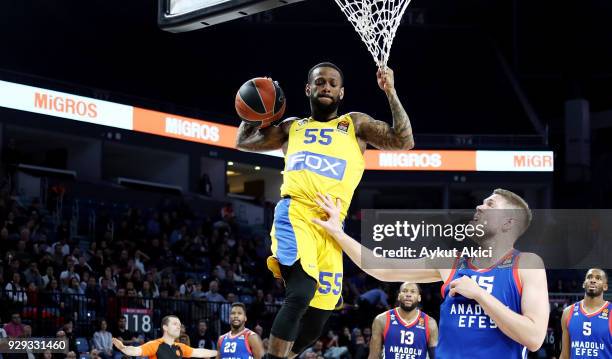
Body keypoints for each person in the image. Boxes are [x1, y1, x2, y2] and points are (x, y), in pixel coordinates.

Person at [235, 62, 414, 359]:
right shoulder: (292, 127)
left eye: (332, 83)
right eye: (319, 82)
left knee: (321, 312)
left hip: (332, 225)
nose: (326, 87)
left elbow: (404, 141)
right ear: (308, 89)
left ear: (341, 92)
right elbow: (243, 141)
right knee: (302, 292)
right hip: (296, 214)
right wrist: (259, 109)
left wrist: (390, 91)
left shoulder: (355, 124)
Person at [312, 188, 549, 357]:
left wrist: (480, 295)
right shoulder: (451, 263)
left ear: (508, 223)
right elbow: (383, 268)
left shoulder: (527, 264)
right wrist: (338, 233)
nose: (479, 206)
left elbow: (534, 338)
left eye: (490, 204)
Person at [369, 283, 438, 359]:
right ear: (399, 296)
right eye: (405, 291)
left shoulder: (430, 323)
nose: (408, 294)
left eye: (413, 291)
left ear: (419, 298)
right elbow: (373, 356)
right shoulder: (382, 319)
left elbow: (435, 356)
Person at [560, 268, 611, 359]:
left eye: (598, 278)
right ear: (584, 284)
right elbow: (565, 355)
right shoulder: (568, 312)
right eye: (589, 277)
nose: (593, 280)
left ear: (605, 287)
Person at [112, 315, 217, 359]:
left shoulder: (181, 347)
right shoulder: (155, 345)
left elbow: (199, 352)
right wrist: (123, 348)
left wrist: (219, 352)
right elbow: (136, 351)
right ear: (165, 327)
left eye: (180, 325)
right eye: (175, 324)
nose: (179, 327)